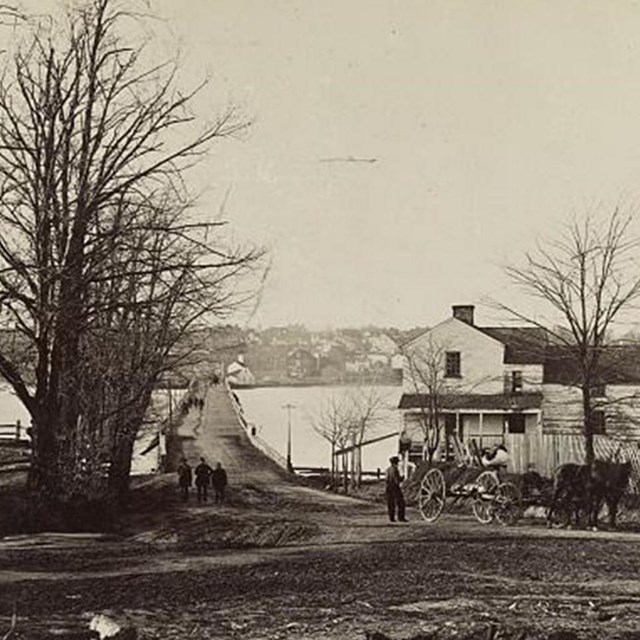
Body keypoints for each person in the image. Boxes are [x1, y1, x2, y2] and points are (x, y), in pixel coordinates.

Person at [385, 456, 407, 523]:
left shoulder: (388, 469)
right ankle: (401, 517)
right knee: (401, 502)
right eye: (397, 462)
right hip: (395, 487)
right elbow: (396, 480)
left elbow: (386, 479)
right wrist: (402, 478)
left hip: (388, 487)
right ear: (395, 463)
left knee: (390, 503)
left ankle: (391, 518)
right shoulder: (395, 470)